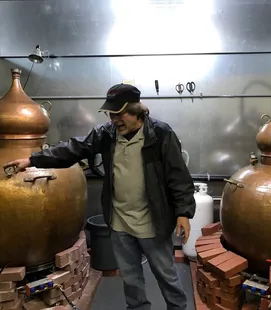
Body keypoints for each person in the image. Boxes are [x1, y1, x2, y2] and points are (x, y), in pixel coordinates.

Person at [4, 84, 196, 310]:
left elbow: (178, 176)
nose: (114, 119)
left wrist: (183, 212)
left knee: (167, 277)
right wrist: (32, 160)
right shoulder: (107, 134)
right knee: (131, 279)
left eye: (119, 114)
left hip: (153, 222)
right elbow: (73, 149)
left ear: (137, 111)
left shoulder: (160, 134)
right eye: (111, 114)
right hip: (120, 222)